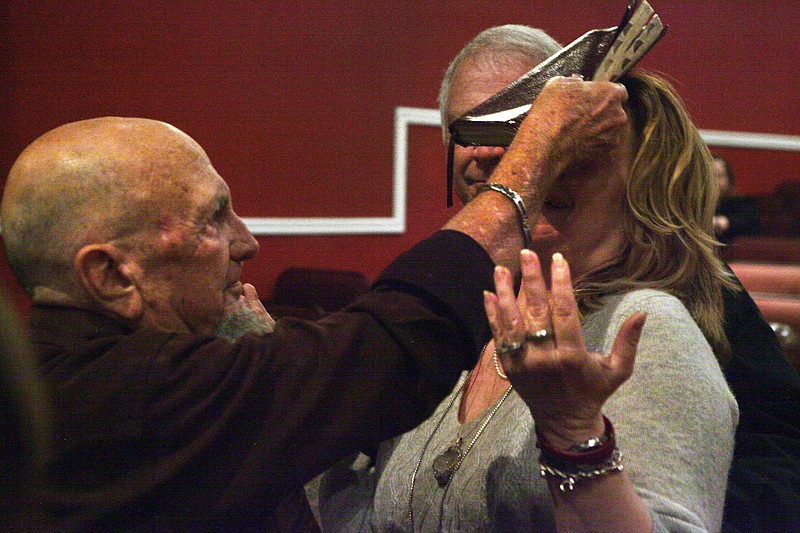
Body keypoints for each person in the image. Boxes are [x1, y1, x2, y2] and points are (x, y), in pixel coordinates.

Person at [0, 82, 628, 532]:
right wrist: (533, 155)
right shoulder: (128, 394)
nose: (248, 241)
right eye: (214, 219)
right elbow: (391, 345)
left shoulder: (56, 372)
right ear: (111, 274)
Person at [314, 25, 738, 531]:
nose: (506, 159)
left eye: (534, 133)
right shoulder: (474, 318)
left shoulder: (648, 326)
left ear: (638, 183)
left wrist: (574, 435)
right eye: (471, 131)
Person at [443, 26, 800, 533]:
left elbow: (777, 459)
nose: (492, 151)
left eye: (520, 128)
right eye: (469, 129)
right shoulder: (465, 281)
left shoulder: (671, 307)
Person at [712, 153, 763, 244]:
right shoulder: (692, 205)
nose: (714, 181)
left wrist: (723, 222)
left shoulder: (743, 203)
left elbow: (749, 223)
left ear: (729, 179)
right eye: (709, 176)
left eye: (719, 176)